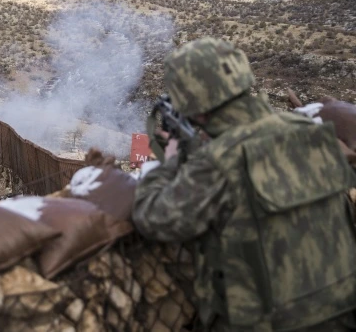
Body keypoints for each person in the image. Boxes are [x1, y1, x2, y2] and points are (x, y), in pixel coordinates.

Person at [132, 37, 356, 332]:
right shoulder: (310, 132)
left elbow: (153, 218)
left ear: (195, 108)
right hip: (344, 310)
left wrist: (172, 161)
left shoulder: (217, 160)